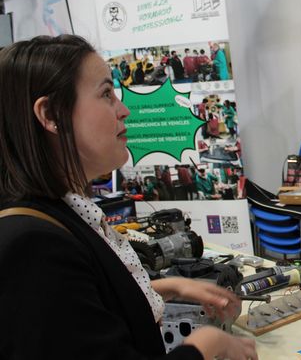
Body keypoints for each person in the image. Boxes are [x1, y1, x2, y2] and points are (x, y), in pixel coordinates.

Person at [0, 35, 257, 359]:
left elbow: (83, 305)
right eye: (106, 94)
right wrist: (208, 346)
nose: (123, 110)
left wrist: (170, 287)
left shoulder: (54, 216)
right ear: (51, 114)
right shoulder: (32, 247)